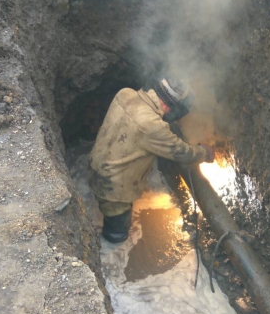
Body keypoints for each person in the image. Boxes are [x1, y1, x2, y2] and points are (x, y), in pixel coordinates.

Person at [88, 78, 215, 243]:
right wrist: (205, 153)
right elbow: (182, 152)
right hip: (113, 190)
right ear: (168, 107)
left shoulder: (125, 93)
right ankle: (111, 244)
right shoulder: (153, 126)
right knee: (117, 233)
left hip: (94, 167)